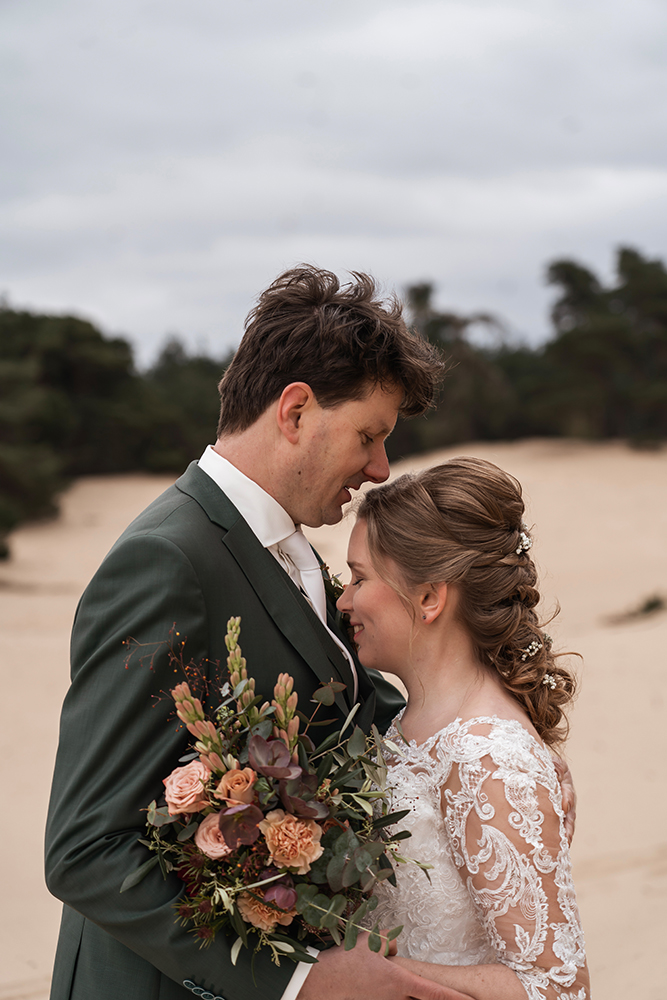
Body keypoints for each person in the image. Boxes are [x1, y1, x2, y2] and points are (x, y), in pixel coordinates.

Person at [45, 266, 470, 1000]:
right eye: (368, 436)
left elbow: (350, 715)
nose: (380, 467)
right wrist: (294, 983)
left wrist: (492, 752)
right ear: (295, 411)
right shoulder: (166, 561)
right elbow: (85, 847)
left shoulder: (290, 549)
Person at [336, 457, 590, 1000]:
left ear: (429, 598)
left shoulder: (489, 758)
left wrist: (379, 977)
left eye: (359, 578)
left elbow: (557, 987)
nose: (344, 601)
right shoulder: (409, 725)